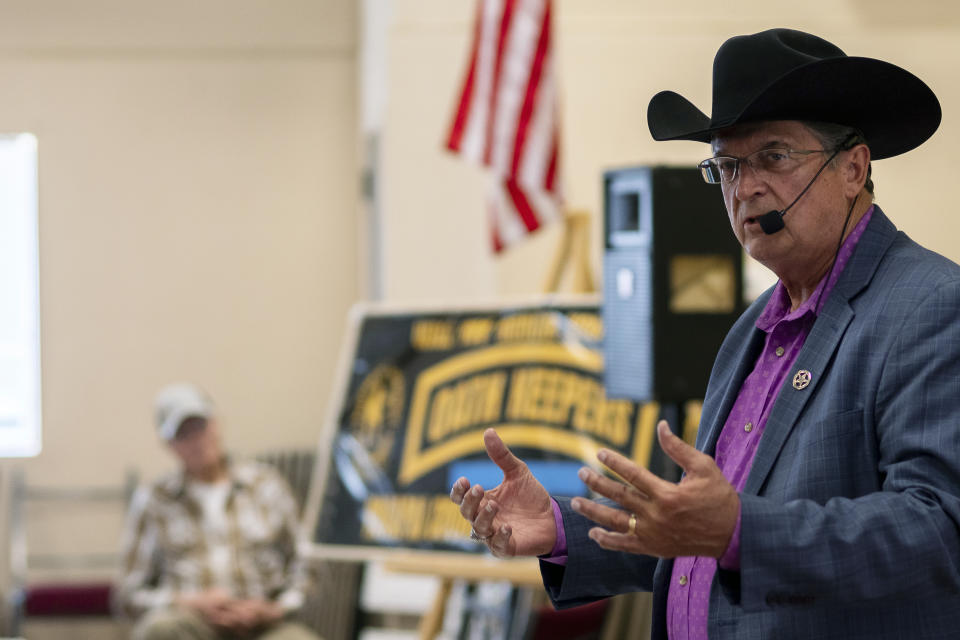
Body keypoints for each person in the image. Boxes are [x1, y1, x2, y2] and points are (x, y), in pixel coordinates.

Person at [451, 28, 960, 639]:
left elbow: (938, 533)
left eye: (773, 157)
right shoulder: (752, 329)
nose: (744, 189)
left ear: (853, 168)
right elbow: (693, 536)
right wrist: (562, 529)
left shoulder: (930, 306)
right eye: (725, 166)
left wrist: (739, 530)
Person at [116, 382, 322, 640]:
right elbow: (128, 594)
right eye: (183, 434)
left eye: (200, 426)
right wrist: (185, 602)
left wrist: (274, 609)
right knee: (159, 631)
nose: (196, 440)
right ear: (168, 444)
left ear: (217, 424)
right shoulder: (154, 500)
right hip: (189, 625)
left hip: (265, 624)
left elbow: (308, 566)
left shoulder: (267, 485)